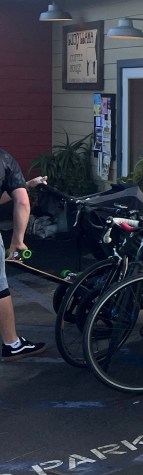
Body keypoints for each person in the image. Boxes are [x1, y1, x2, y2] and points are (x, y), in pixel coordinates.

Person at [1, 149, 47, 360]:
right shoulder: (4, 159)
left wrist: (25, 184)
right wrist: (17, 240)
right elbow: (22, 202)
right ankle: (12, 344)